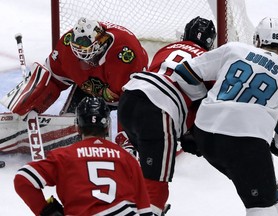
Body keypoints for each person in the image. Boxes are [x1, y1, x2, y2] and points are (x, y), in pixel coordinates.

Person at [176, 17, 278, 216]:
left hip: (205, 134)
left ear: (257, 39)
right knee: (262, 205)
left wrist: (204, 104)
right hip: (247, 145)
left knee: (271, 192)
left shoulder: (234, 48)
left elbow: (183, 72)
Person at [117, 16, 216, 215]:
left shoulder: (167, 49)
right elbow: (206, 106)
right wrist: (196, 136)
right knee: (156, 184)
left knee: (139, 169)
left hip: (129, 98)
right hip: (160, 111)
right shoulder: (211, 61)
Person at [14, 96, 153, 216]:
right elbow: (145, 208)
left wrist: (47, 211)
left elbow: (23, 178)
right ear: (106, 127)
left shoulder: (64, 155)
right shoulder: (127, 157)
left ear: (78, 127)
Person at [2, 17, 148, 118]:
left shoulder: (126, 55)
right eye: (79, 54)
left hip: (126, 94)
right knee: (72, 122)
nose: (85, 61)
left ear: (100, 44)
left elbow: (133, 101)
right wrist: (28, 106)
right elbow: (51, 77)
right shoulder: (67, 46)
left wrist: (127, 140)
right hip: (92, 88)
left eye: (89, 56)